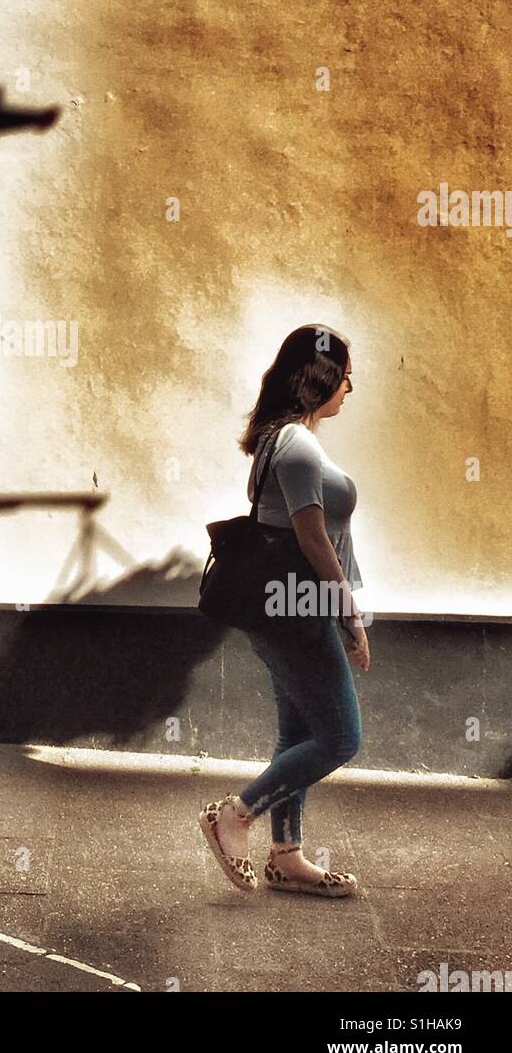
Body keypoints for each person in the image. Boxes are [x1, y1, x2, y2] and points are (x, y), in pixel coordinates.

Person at [198, 324, 370, 898]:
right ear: (321, 377)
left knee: (297, 731)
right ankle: (235, 816)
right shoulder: (295, 444)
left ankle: (286, 855)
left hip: (286, 606)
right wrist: (351, 616)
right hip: (299, 607)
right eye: (345, 375)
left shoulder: (283, 437)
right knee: (341, 737)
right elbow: (313, 537)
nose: (351, 385)